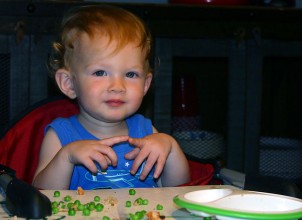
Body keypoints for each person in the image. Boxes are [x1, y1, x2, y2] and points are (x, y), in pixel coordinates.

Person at [32, 5, 190, 190]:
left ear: (146, 84)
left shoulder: (146, 131)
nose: (117, 87)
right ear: (69, 83)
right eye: (100, 72)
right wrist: (66, 157)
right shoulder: (60, 136)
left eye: (131, 75)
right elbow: (42, 194)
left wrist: (170, 147)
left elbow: (180, 190)